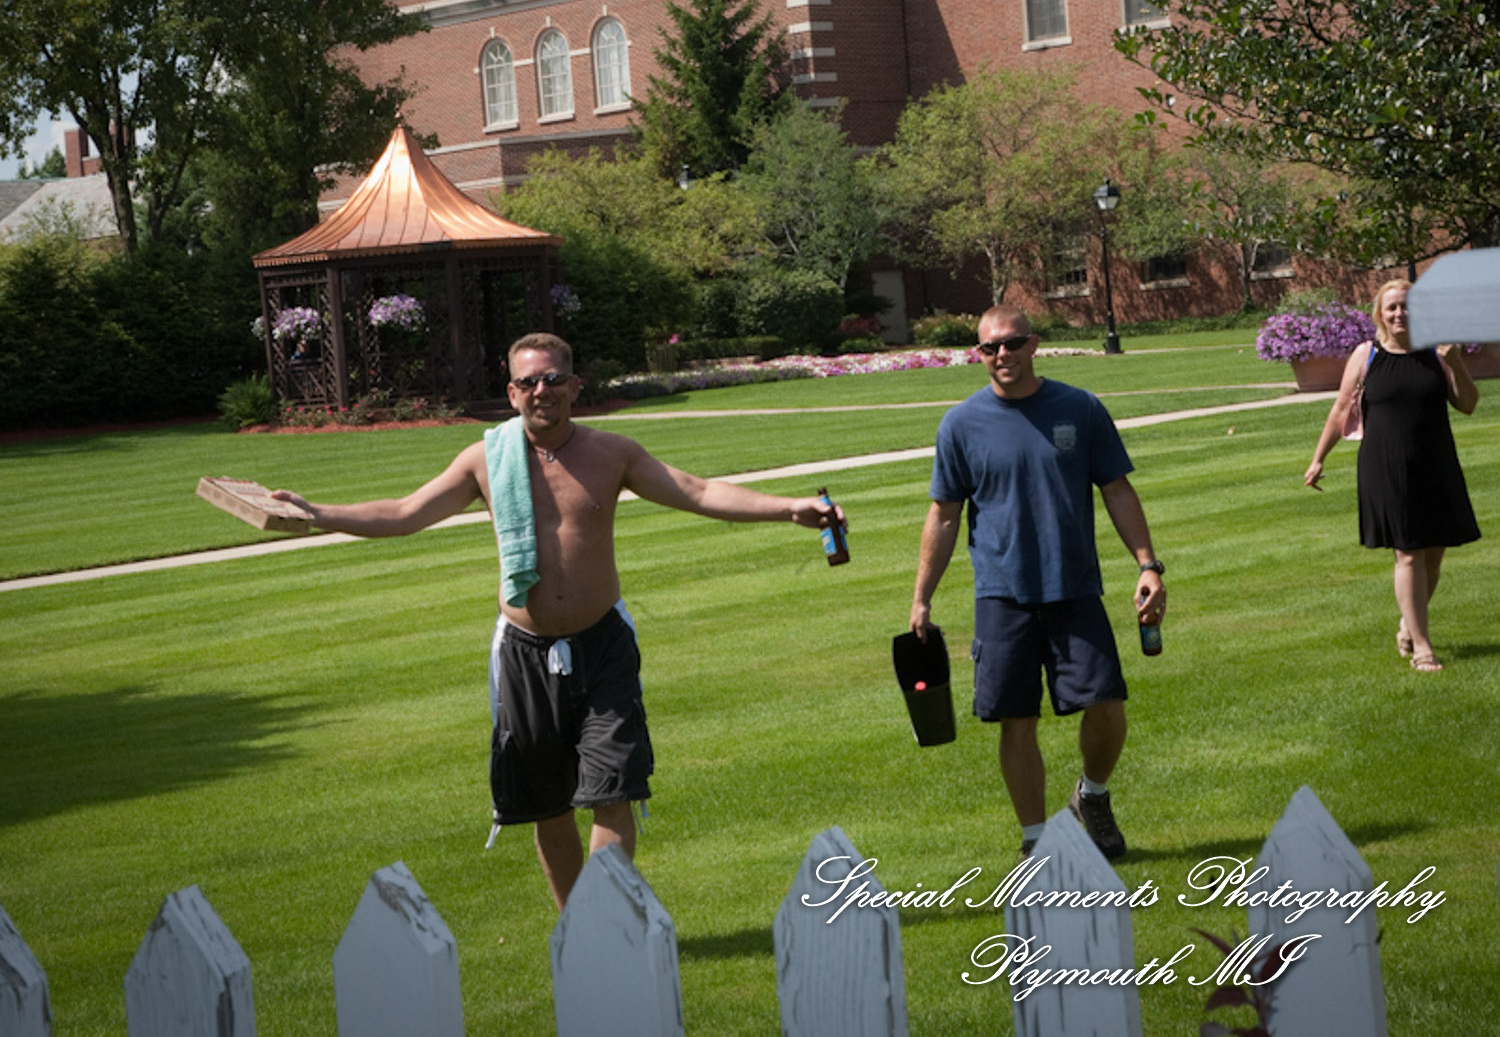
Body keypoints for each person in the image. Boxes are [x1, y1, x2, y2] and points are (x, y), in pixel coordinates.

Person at [273, 331, 846, 908]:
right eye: (528, 381)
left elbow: (696, 491)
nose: (540, 390)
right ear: (512, 391)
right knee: (548, 805)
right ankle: (578, 928)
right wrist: (318, 513)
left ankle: (602, 918)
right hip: (524, 652)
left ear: (575, 386)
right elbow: (403, 513)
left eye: (551, 379)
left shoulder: (612, 454)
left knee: (613, 793)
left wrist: (787, 508)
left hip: (602, 645)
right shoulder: (485, 460)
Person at [908, 306, 1165, 861]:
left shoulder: (1079, 407)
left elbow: (1116, 490)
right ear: (980, 354)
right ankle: (1035, 841)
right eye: (989, 348)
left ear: (1034, 344)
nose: (1003, 355)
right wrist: (922, 598)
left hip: (1074, 586)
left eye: (1013, 343)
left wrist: (1148, 563)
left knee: (1107, 704)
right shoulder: (960, 424)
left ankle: (1090, 797)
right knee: (1015, 719)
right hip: (1003, 595)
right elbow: (944, 515)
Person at [1305, 279, 1479, 672]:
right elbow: (1339, 410)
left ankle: (1407, 623)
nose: (1400, 314)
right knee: (1409, 553)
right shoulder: (1366, 355)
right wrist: (1318, 459)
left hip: (1436, 462)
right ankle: (1422, 646)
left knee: (1435, 554)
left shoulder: (1437, 355)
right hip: (1386, 466)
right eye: (1392, 308)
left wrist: (1456, 364)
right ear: (1379, 314)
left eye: (1407, 306)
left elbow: (1467, 404)